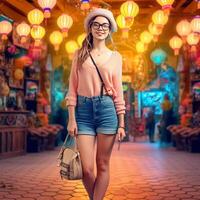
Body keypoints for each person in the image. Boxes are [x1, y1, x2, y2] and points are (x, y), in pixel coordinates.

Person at [65, 8, 126, 200]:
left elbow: (119, 91)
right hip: (83, 112)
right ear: (90, 28)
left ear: (109, 30)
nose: (101, 28)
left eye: (105, 25)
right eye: (97, 24)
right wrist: (71, 119)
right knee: (86, 169)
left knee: (102, 165)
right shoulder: (79, 54)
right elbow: (72, 89)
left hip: (107, 110)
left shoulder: (116, 57)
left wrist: (122, 123)